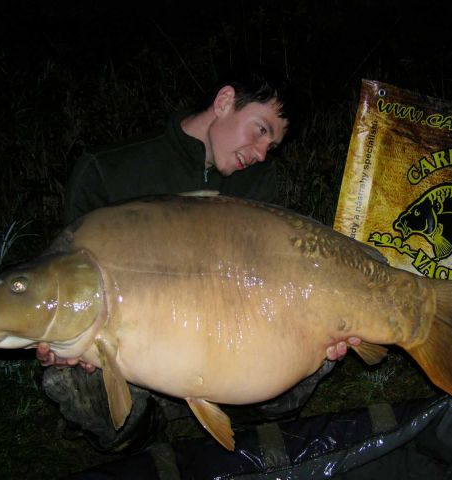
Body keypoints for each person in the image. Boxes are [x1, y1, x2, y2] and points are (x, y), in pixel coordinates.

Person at [36, 66, 359, 453]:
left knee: (316, 352)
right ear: (224, 102)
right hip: (130, 349)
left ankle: (239, 420)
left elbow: (271, 279)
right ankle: (142, 437)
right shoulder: (108, 171)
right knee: (67, 374)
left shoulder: (257, 184)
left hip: (225, 343)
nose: (260, 154)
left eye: (270, 147)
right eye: (260, 130)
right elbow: (68, 277)